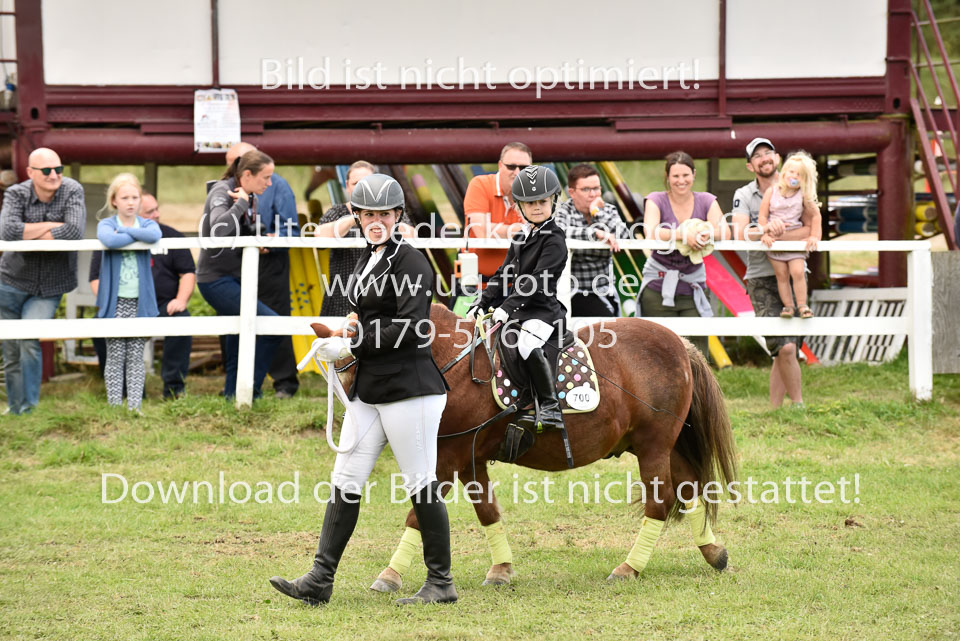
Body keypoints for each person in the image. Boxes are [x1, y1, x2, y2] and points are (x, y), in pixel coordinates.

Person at [269, 174, 455, 606]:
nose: (376, 221)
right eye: (368, 214)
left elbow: (411, 327)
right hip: (370, 387)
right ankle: (320, 578)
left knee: (420, 482)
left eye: (384, 214)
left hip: (410, 387)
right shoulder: (368, 258)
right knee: (345, 478)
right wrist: (341, 333)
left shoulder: (411, 262)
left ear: (397, 215)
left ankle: (441, 582)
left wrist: (354, 342)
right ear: (356, 215)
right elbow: (361, 315)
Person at [470, 165, 568, 433]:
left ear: (553, 201)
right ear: (520, 206)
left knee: (527, 343)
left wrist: (506, 307)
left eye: (542, 201)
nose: (537, 207)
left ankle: (550, 407)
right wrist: (482, 302)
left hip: (543, 312)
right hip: (520, 311)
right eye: (530, 203)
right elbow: (504, 274)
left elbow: (536, 281)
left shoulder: (555, 239)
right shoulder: (522, 236)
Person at [731, 138, 821, 408]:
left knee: (789, 345)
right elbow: (740, 233)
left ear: (778, 158)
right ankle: (798, 405)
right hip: (760, 275)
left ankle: (775, 409)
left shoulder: (799, 182)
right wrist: (765, 230)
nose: (764, 158)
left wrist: (779, 235)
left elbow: (811, 227)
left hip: (795, 272)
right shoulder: (744, 194)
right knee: (783, 346)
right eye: (757, 156)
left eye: (768, 153)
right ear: (750, 166)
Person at [0, 147, 86, 415]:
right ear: (30, 172)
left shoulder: (72, 190)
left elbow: (74, 231)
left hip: (50, 285)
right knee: (10, 348)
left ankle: (29, 409)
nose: (54, 175)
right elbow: (7, 231)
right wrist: (53, 225)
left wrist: (28, 231)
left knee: (28, 339)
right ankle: (15, 408)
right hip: (11, 280)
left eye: (58, 169)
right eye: (46, 170)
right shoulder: (16, 193)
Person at [90, 192, 196, 399]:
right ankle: (124, 392)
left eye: (157, 209)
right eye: (150, 212)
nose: (156, 215)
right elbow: (95, 278)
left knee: (182, 322)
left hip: (161, 305)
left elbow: (188, 273)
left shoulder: (171, 236)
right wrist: (107, 304)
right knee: (99, 327)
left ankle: (174, 389)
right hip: (122, 304)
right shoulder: (111, 237)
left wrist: (181, 300)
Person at [196, 149, 284, 399]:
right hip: (215, 279)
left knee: (237, 339)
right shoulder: (222, 191)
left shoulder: (248, 194)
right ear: (247, 175)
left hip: (236, 276)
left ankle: (232, 395)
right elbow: (218, 230)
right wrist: (242, 203)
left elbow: (240, 231)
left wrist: (259, 240)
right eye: (266, 177)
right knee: (273, 327)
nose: (269, 183)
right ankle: (249, 392)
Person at [225, 142, 299, 400]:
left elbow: (292, 230)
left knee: (275, 319)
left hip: (270, 262)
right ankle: (237, 384)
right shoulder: (225, 187)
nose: (233, 169)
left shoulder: (277, 185)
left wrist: (270, 241)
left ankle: (285, 382)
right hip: (235, 262)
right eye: (230, 164)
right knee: (235, 321)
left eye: (237, 163)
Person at [637, 151, 726, 356]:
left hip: (692, 287)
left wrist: (704, 233)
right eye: (675, 176)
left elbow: (724, 230)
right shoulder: (656, 199)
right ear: (667, 177)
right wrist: (683, 235)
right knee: (659, 353)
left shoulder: (706, 200)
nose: (681, 180)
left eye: (685, 175)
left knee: (696, 352)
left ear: (694, 174)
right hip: (658, 287)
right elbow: (650, 231)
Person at [95, 174, 162, 412]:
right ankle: (114, 407)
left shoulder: (146, 224)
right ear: (114, 200)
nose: (131, 202)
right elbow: (108, 240)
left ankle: (135, 407)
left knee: (135, 354)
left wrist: (125, 232)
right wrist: (133, 235)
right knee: (115, 354)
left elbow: (154, 235)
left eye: (135, 197)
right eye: (125, 198)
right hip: (115, 301)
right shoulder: (106, 224)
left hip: (139, 300)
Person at [314, 161, 413, 317]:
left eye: (367, 183)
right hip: (343, 296)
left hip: (383, 297)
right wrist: (357, 215)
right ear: (347, 185)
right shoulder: (338, 211)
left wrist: (385, 216)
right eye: (356, 184)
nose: (362, 188)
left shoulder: (392, 210)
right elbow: (319, 236)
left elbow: (411, 236)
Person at [553, 163, 631, 316]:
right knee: (606, 324)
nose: (593, 194)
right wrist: (594, 233)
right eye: (586, 189)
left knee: (614, 325)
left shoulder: (608, 210)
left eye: (596, 188)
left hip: (605, 289)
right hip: (574, 290)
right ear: (572, 192)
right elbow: (558, 232)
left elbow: (624, 234)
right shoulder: (564, 211)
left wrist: (596, 212)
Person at [759, 151, 821, 319]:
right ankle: (788, 307)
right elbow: (763, 216)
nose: (794, 176)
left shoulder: (803, 195)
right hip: (775, 242)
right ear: (784, 172)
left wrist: (814, 236)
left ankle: (802, 305)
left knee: (798, 271)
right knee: (782, 275)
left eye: (799, 175)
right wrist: (764, 232)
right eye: (791, 172)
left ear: (805, 179)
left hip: (794, 242)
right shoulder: (771, 192)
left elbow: (816, 216)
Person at [462, 142, 531, 282]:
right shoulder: (480, 184)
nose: (517, 172)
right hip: (477, 282)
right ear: (500, 165)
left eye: (524, 168)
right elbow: (481, 231)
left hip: (517, 282)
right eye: (511, 166)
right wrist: (518, 231)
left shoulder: (533, 192)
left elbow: (538, 234)